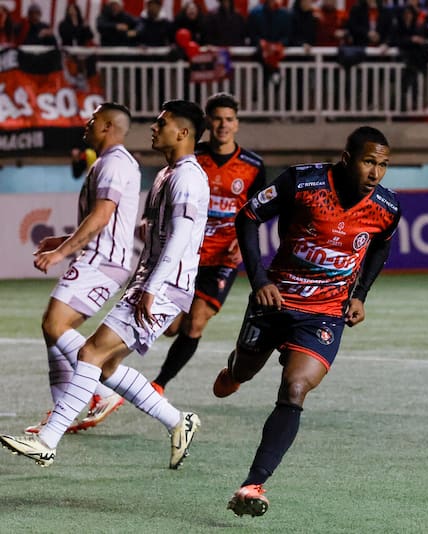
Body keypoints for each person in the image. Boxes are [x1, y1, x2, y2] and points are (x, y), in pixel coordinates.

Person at [0, 100, 209, 469]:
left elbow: (180, 237)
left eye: (162, 123)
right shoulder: (166, 175)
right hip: (149, 282)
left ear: (184, 132)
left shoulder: (188, 177)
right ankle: (178, 421)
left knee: (89, 354)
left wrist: (153, 288)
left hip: (161, 287)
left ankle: (47, 442)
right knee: (105, 366)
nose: (154, 128)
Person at [217, 126, 401, 517]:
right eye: (369, 162)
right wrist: (260, 279)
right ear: (348, 157)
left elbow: (381, 244)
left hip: (324, 312)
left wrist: (361, 294)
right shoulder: (303, 182)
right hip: (274, 301)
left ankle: (254, 483)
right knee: (245, 370)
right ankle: (236, 369)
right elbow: (248, 217)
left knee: (296, 387)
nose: (376, 173)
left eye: (383, 165)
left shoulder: (386, 207)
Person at [23, 103, 139, 437]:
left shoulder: (114, 163)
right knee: (53, 329)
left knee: (54, 323)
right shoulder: (110, 162)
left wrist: (61, 252)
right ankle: (64, 410)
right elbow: (106, 220)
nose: (85, 125)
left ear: (107, 126)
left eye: (92, 120)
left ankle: (104, 391)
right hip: (102, 258)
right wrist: (62, 240)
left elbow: (101, 216)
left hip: (101, 261)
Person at [150, 92, 266, 393]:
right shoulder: (192, 159)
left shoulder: (253, 166)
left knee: (195, 322)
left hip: (222, 261)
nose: (222, 125)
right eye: (216, 119)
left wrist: (243, 242)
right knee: (171, 326)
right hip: (187, 255)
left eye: (229, 119)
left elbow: (260, 210)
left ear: (237, 124)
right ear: (207, 122)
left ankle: (158, 384)